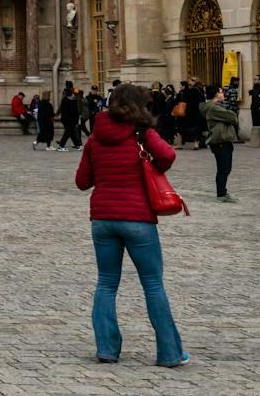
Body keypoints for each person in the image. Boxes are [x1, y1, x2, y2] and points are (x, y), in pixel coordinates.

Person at [74, 83, 189, 367]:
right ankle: (170, 353)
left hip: (102, 219)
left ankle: (107, 348)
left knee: (106, 283)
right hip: (137, 218)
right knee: (152, 284)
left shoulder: (95, 137)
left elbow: (82, 182)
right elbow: (168, 156)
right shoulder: (141, 133)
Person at [200, 86, 242, 202]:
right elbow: (233, 117)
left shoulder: (215, 107)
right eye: (221, 91)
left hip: (221, 140)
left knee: (225, 168)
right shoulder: (213, 108)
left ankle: (222, 192)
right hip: (220, 141)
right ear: (216, 94)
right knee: (224, 168)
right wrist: (229, 116)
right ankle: (221, 193)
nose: (223, 93)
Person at [56, 83, 82, 151]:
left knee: (71, 132)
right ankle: (62, 145)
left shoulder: (66, 97)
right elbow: (74, 110)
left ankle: (77, 144)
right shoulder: (71, 99)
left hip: (67, 118)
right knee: (70, 132)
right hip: (70, 119)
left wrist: (57, 113)